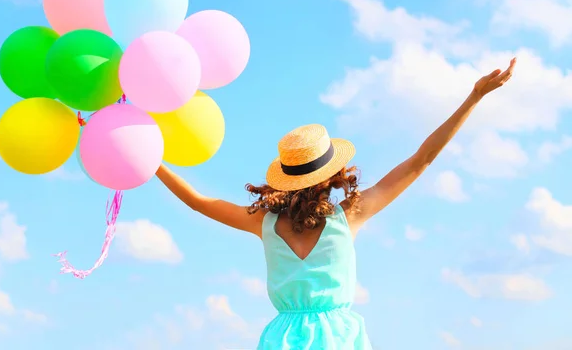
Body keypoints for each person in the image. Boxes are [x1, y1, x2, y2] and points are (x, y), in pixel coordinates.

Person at [156, 58, 517, 349]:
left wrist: (150, 157)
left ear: (286, 176)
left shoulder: (262, 222)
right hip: (340, 340)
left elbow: (198, 202)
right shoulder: (350, 215)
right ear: (331, 176)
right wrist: (473, 98)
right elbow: (421, 160)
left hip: (282, 341)